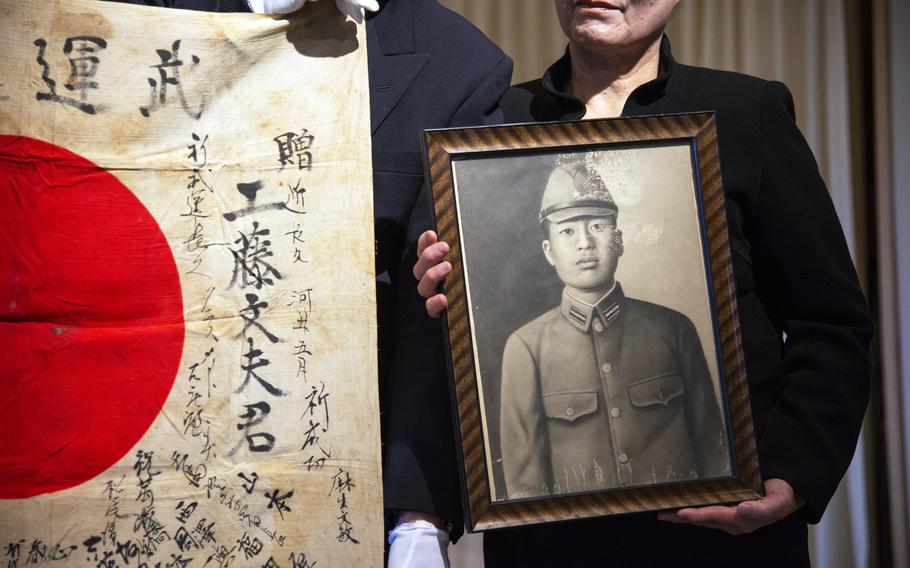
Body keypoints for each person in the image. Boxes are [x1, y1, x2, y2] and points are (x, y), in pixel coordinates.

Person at [414, 0, 872, 565]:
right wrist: (434, 298)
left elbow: (831, 324)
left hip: (725, 545)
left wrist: (791, 477)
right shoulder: (486, 127)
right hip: (548, 550)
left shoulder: (745, 112)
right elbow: (454, 376)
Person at [104, 0, 512, 565]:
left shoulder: (458, 62)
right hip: (163, 451)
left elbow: (435, 314)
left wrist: (419, 518)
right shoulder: (143, 19)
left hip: (344, 468)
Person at [500, 156, 729, 501]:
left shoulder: (674, 330)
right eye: (567, 231)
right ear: (548, 251)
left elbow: (715, 455)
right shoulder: (526, 348)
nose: (584, 244)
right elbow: (525, 487)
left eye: (596, 226)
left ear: (618, 240)